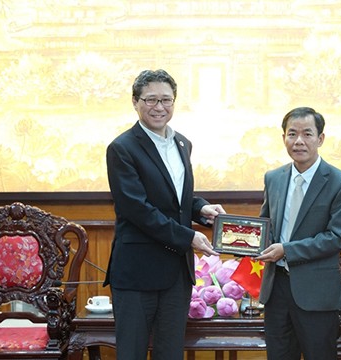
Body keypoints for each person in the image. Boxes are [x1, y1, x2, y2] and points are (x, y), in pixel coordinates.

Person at [104, 69, 224, 360]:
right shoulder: (122, 148)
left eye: (166, 100)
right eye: (151, 100)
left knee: (170, 353)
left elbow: (175, 196)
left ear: (174, 102)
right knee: (131, 353)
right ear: (135, 102)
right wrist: (189, 237)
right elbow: (137, 208)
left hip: (175, 274)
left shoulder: (183, 143)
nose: (159, 107)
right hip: (137, 273)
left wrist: (200, 208)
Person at [256, 106, 341, 360]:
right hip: (276, 288)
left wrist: (287, 250)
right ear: (284, 138)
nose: (298, 141)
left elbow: (337, 237)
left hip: (316, 293)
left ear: (320, 139)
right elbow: (265, 224)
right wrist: (244, 242)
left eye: (307, 134)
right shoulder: (274, 178)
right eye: (292, 134)